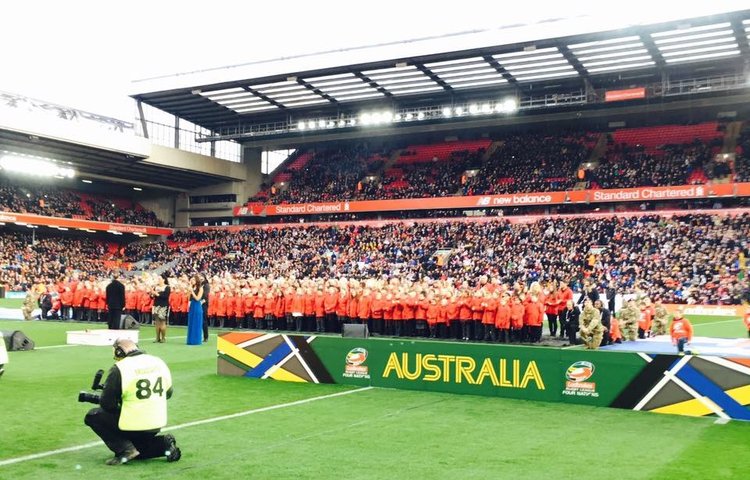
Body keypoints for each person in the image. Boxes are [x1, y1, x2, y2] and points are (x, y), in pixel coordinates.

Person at [83, 338, 180, 465]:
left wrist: (120, 401)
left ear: (119, 352)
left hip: (133, 424)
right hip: (156, 423)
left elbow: (107, 405)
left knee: (93, 416)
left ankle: (125, 450)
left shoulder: (120, 368)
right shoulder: (158, 362)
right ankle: (163, 444)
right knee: (139, 451)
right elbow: (168, 393)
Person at [151, 276, 171, 343]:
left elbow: (165, 296)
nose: (158, 280)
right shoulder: (156, 287)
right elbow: (151, 297)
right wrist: (152, 294)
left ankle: (163, 338)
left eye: (159, 279)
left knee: (162, 321)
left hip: (164, 306)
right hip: (156, 305)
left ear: (163, 279)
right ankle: (157, 337)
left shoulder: (167, 287)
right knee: (157, 322)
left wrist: (156, 293)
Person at [187, 275, 204, 346]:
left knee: (196, 323)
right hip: (192, 306)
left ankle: (196, 340)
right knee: (191, 322)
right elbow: (188, 298)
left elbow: (198, 298)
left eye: (193, 280)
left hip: (197, 306)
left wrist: (192, 292)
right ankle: (190, 340)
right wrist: (189, 291)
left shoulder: (200, 288)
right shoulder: (192, 288)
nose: (192, 281)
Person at [201, 275, 210, 343]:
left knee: (204, 321)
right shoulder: (198, 284)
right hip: (197, 303)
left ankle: (205, 336)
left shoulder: (206, 285)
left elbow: (205, 294)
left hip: (203, 304)